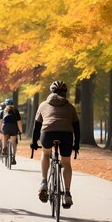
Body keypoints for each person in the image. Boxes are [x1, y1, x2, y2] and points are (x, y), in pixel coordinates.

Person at [30, 80, 80, 209]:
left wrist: (34, 142)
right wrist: (76, 144)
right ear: (65, 93)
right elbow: (76, 127)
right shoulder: (70, 107)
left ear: (52, 92)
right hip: (66, 135)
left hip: (48, 134)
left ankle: (44, 182)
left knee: (45, 154)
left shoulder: (43, 105)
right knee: (66, 162)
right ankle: (67, 193)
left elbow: (37, 126)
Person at [0, 99, 23, 165]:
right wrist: (21, 131)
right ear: (13, 104)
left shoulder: (3, 111)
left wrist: (0, 130)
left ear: (5, 104)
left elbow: (0, 122)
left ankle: (4, 149)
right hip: (13, 127)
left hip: (5, 126)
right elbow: (19, 122)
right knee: (13, 142)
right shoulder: (16, 111)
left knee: (4, 136)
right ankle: (13, 158)